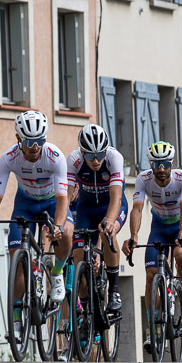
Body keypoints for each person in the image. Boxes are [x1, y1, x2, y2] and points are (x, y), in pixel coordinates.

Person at [0, 111, 74, 335]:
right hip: (24, 204)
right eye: (29, 141)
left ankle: (57, 272)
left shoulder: (54, 156)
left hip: (52, 202)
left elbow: (63, 199)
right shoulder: (9, 158)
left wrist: (59, 226)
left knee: (68, 234)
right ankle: (16, 319)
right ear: (18, 138)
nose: (35, 147)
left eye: (40, 141)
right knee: (17, 260)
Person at [122, 141, 182, 354]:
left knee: (181, 254)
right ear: (151, 164)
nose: (161, 169)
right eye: (156, 164)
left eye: (165, 163)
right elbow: (137, 209)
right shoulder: (143, 179)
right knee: (150, 275)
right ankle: (153, 331)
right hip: (159, 226)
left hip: (180, 224)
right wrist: (134, 236)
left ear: (171, 163)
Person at [67, 124, 126, 314]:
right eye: (90, 155)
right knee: (78, 257)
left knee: (109, 232)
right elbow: (66, 196)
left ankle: (114, 291)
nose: (96, 160)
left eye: (100, 154)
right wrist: (61, 220)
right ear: (82, 151)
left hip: (112, 205)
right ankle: (85, 310)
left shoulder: (114, 158)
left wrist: (109, 221)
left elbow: (116, 196)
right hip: (87, 208)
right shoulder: (74, 160)